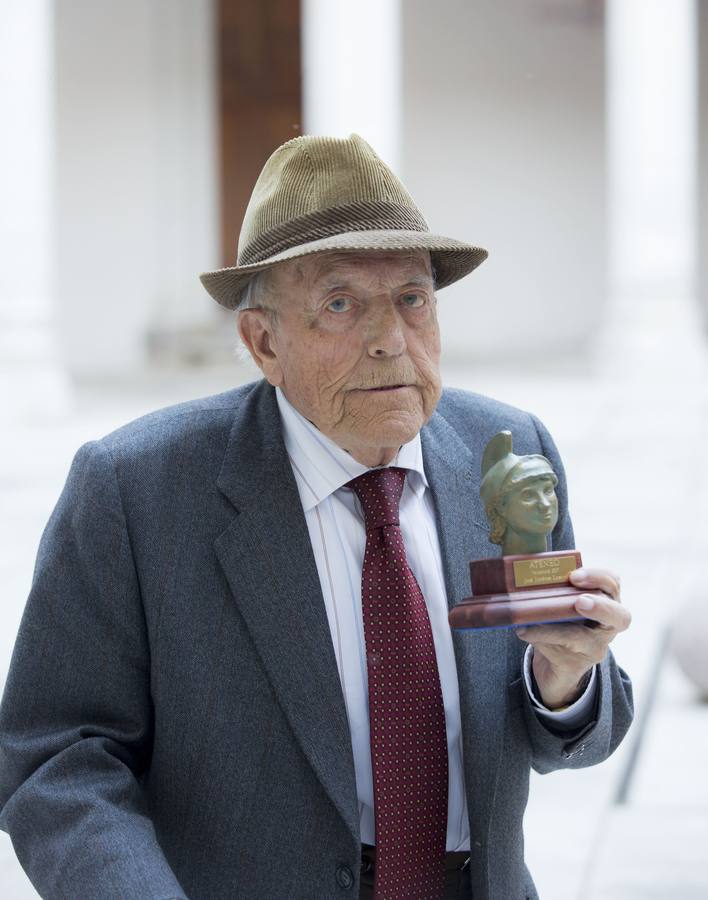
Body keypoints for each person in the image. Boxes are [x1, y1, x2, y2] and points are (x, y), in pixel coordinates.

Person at [0, 134, 633, 900]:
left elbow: (572, 734)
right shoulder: (137, 490)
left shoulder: (506, 455)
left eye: (413, 299)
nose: (390, 341)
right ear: (263, 341)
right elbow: (56, 755)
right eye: (341, 304)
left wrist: (563, 679)